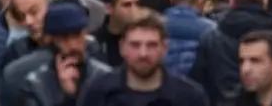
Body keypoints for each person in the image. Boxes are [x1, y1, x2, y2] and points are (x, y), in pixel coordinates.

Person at [77, 9, 211, 104]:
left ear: (164, 48)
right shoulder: (98, 93)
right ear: (122, 47)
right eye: (135, 45)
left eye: (152, 45)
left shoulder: (190, 97)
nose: (143, 54)